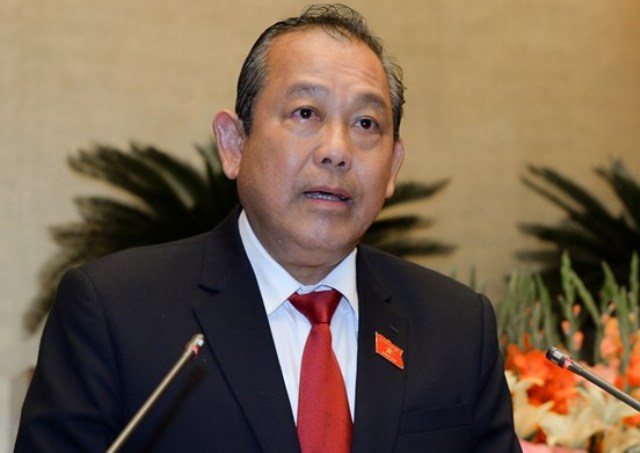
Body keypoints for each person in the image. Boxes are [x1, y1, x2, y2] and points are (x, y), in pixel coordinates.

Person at [16, 4, 521, 452]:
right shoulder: (115, 312)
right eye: (306, 113)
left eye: (366, 124)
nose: (337, 150)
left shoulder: (457, 326)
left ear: (393, 167)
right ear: (234, 144)